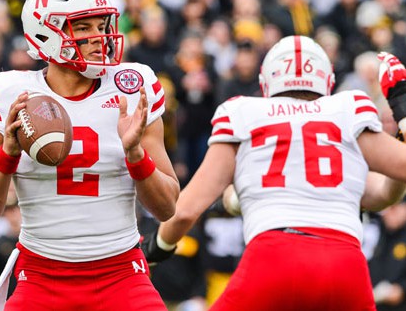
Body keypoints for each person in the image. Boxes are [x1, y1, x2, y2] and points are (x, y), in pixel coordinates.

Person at [0, 0, 179, 311]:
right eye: (84, 28)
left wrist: (136, 154)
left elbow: (166, 207)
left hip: (121, 272)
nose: (100, 37)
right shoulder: (9, 94)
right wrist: (7, 155)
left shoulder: (133, 86)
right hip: (41, 274)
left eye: (102, 25)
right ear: (46, 33)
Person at [143, 35, 406, 311]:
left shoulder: (244, 112)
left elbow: (185, 210)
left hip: (274, 256)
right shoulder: (346, 111)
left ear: (265, 84)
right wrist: (401, 111)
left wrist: (158, 247)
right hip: (345, 264)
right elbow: (388, 187)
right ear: (327, 81)